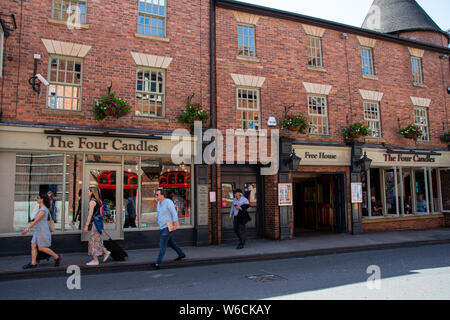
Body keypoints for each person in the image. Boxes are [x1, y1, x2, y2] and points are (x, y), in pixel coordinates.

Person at [21, 193, 62, 269]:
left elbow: (36, 221)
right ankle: (33, 263)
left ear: (42, 199)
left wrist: (27, 229)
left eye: (38, 197)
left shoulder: (43, 209)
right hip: (38, 231)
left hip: (42, 231)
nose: (37, 199)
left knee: (41, 248)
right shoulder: (41, 208)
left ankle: (56, 256)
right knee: (33, 245)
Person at [153, 189, 186, 270]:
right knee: (170, 242)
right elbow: (159, 214)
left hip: (167, 227)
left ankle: (158, 262)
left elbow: (174, 213)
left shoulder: (168, 202)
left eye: (157, 194)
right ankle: (181, 254)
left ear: (162, 195)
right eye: (156, 194)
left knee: (162, 245)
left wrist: (175, 223)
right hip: (161, 227)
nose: (156, 196)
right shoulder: (158, 203)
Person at [84, 186, 110, 266]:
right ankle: (105, 251)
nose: (87, 193)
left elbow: (90, 214)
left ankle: (95, 260)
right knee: (97, 240)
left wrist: (86, 225)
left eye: (89, 191)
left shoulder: (92, 202)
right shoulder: (99, 201)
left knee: (93, 241)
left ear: (92, 192)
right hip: (99, 222)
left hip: (95, 223)